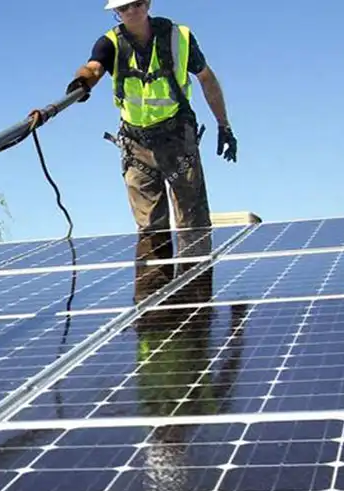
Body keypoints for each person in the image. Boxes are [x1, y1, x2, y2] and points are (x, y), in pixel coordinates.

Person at [66, 0, 237, 299]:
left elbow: (206, 78)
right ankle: (153, 310)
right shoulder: (110, 43)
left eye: (136, 4)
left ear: (147, 4)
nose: (130, 11)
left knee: (192, 221)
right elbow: (93, 67)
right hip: (136, 145)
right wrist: (82, 82)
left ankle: (196, 301)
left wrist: (224, 125)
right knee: (149, 227)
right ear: (116, 13)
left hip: (177, 139)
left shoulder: (178, 37)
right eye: (123, 8)